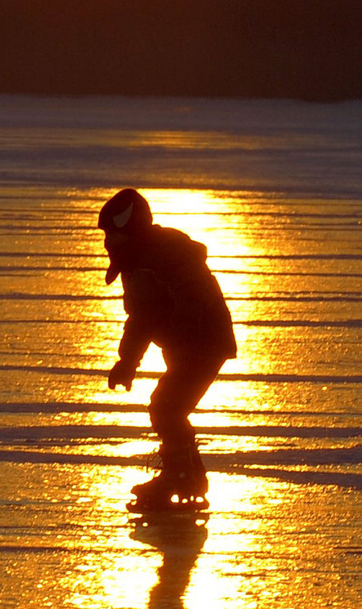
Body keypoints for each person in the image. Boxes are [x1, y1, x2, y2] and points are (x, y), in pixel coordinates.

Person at [98, 187, 237, 510]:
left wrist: (177, 335)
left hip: (204, 343)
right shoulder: (134, 261)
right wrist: (127, 361)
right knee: (168, 408)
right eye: (106, 234)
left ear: (130, 229)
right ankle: (184, 472)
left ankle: (183, 474)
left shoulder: (165, 256)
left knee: (167, 407)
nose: (107, 242)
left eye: (113, 233)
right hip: (184, 346)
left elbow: (192, 301)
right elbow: (141, 316)